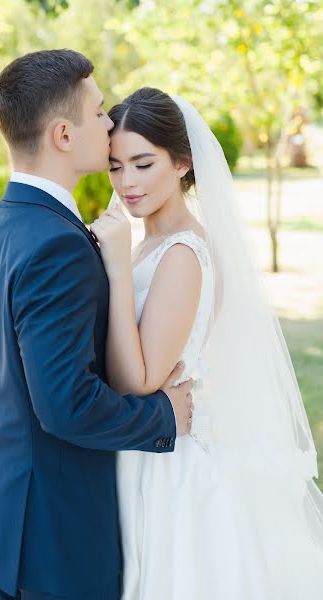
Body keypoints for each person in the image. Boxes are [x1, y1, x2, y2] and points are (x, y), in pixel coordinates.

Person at [0, 52, 194, 600]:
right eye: (100, 111)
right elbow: (64, 405)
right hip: (51, 539)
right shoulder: (61, 245)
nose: (109, 124)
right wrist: (163, 416)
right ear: (63, 133)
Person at [90, 87, 323, 599]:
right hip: (141, 448)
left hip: (171, 463)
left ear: (183, 163)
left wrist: (115, 268)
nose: (127, 182)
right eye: (115, 166)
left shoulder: (182, 253)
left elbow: (139, 378)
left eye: (143, 163)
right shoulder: (148, 242)